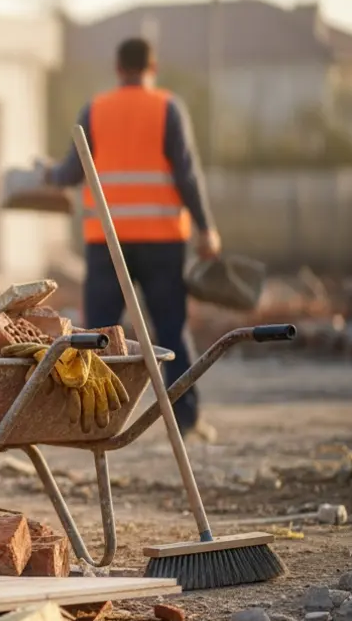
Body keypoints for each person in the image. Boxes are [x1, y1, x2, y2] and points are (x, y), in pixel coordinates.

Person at [43, 37, 221, 442]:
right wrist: (206, 227)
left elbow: (72, 170)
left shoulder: (96, 109)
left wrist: (47, 175)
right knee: (172, 331)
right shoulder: (167, 108)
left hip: (106, 241)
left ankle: (89, 421)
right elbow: (187, 174)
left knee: (98, 336)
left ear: (118, 67)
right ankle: (187, 421)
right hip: (161, 241)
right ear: (152, 66)